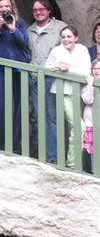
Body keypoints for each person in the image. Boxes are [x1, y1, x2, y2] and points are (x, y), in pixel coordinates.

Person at [0, 0, 29, 153]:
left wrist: (12, 28)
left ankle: (15, 146)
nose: (4, 9)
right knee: (1, 109)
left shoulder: (20, 23)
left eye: (6, 6)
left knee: (17, 108)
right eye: (1, 6)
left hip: (17, 71)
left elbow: (24, 42)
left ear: (12, 7)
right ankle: (4, 144)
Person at [27, 0, 67, 163]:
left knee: (53, 117)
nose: (38, 12)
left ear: (49, 10)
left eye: (42, 9)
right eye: (35, 10)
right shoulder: (29, 30)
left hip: (51, 78)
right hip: (34, 79)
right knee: (38, 116)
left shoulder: (60, 27)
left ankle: (54, 155)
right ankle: (42, 152)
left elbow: (67, 48)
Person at [45, 26, 90, 168]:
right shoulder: (56, 50)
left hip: (78, 94)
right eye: (63, 37)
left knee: (75, 128)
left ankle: (74, 161)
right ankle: (71, 164)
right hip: (60, 93)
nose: (66, 39)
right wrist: (57, 66)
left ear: (76, 38)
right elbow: (47, 67)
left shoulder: (82, 50)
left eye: (69, 36)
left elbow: (86, 72)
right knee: (79, 127)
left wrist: (68, 69)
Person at [81, 58, 100, 173]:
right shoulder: (89, 85)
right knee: (92, 150)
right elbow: (88, 100)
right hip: (91, 123)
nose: (97, 71)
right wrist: (90, 85)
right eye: (95, 68)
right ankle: (94, 172)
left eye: (99, 68)